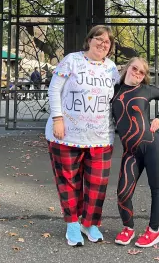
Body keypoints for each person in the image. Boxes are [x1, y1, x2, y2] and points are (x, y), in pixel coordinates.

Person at [46, 25, 120, 247]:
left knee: (97, 183)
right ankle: (72, 223)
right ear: (89, 40)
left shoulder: (112, 68)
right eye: (99, 38)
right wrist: (58, 118)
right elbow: (54, 88)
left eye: (107, 42)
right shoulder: (72, 60)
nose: (103, 43)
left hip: (100, 136)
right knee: (68, 180)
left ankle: (90, 222)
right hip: (66, 134)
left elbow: (120, 97)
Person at [112, 57, 159, 249]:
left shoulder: (146, 90)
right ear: (127, 68)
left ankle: (153, 232)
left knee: (156, 189)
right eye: (134, 69)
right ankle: (128, 228)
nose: (137, 73)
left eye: (142, 72)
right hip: (131, 151)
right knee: (122, 193)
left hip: (153, 145)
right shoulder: (113, 90)